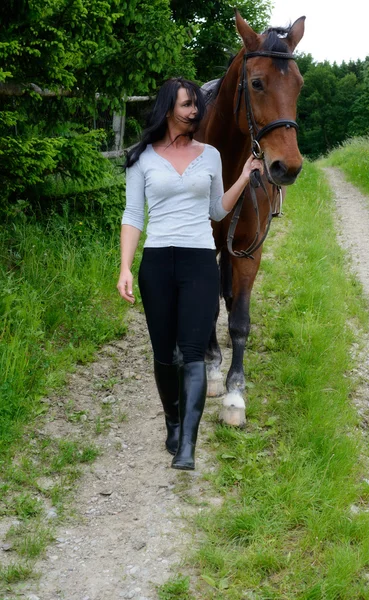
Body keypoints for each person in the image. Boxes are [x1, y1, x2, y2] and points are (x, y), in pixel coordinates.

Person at [117, 77, 263, 470]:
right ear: (167, 109)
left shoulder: (210, 155)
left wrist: (246, 176)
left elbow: (217, 210)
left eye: (196, 104)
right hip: (158, 264)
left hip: (199, 261)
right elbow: (132, 216)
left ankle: (188, 446)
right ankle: (173, 421)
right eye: (186, 105)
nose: (194, 111)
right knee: (165, 355)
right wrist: (125, 268)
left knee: (194, 352)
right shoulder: (141, 157)